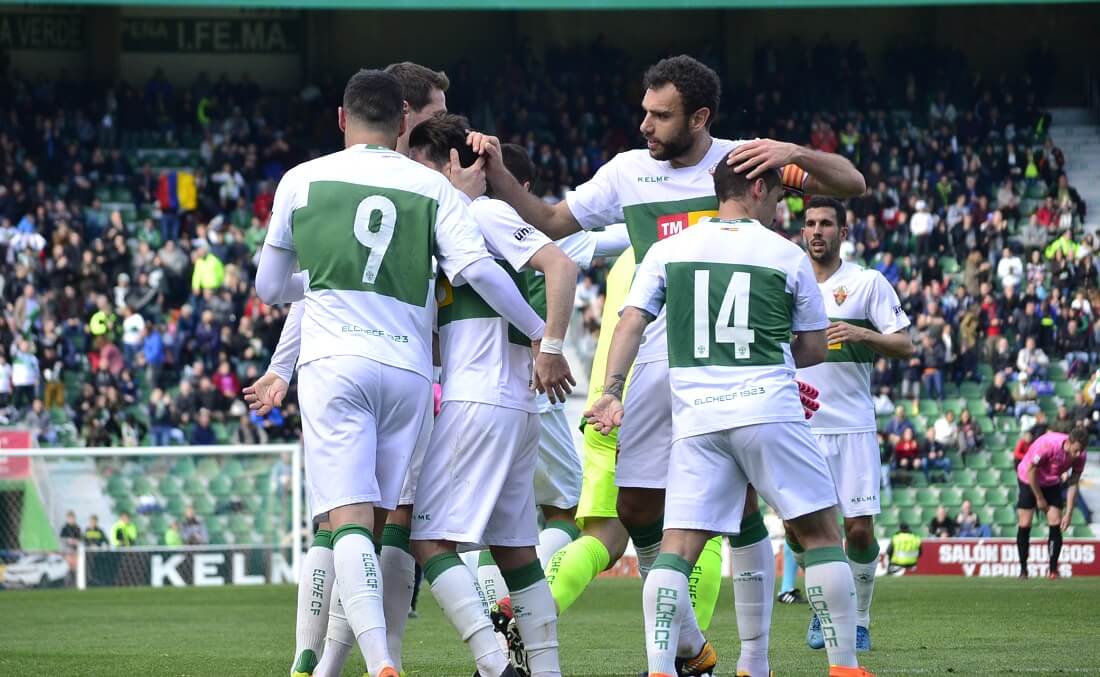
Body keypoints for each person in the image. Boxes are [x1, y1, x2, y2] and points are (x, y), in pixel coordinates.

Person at [469, 54, 864, 676]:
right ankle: (687, 646)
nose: (646, 126)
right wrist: (497, 174)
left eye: (661, 115)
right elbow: (547, 219)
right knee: (636, 508)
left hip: (729, 362)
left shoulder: (743, 162)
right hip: (658, 355)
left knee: (741, 514)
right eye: (645, 112)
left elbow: (850, 183)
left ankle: (752, 660)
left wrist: (796, 151)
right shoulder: (628, 172)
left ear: (700, 117)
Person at [254, 69, 555, 677]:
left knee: (344, 520)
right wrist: (543, 333)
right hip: (411, 372)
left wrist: (315, 295)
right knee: (392, 519)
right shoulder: (432, 187)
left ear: (342, 119)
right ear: (402, 120)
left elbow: (271, 289)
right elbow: (479, 270)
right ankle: (348, 663)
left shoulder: (301, 179)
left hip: (336, 362)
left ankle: (374, 662)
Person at [584, 154, 871, 677]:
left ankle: (660, 669)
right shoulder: (786, 256)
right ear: (759, 188)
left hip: (697, 419)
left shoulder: (668, 250)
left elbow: (630, 322)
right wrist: (775, 355)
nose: (783, 210)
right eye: (780, 198)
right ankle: (845, 667)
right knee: (821, 533)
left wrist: (610, 390)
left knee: (676, 549)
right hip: (768, 408)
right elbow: (814, 347)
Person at [404, 112, 575, 677]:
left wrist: (548, 342)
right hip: (510, 405)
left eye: (422, 166)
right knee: (516, 553)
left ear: (453, 164)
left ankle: (494, 663)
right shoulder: (451, 225)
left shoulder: (482, 211)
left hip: (481, 400)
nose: (415, 178)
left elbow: (560, 263)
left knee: (429, 541)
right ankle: (544, 670)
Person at [794, 196, 913, 653]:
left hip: (853, 426)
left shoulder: (867, 283)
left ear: (843, 232)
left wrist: (862, 333)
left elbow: (904, 346)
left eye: (827, 223)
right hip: (800, 426)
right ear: (803, 231)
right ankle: (821, 610)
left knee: (858, 530)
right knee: (797, 528)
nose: (817, 230)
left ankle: (859, 618)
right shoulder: (789, 278)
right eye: (810, 223)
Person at [1015, 427, 1088, 580]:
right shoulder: (1048, 445)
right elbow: (1031, 471)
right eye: (1076, 450)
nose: (1078, 455)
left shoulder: (1081, 455)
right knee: (1025, 522)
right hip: (1028, 479)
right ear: (1068, 443)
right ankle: (1023, 570)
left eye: (1081, 451)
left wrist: (1069, 513)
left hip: (1051, 481)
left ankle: (1053, 570)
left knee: (1056, 521)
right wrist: (1039, 498)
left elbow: (1073, 483)